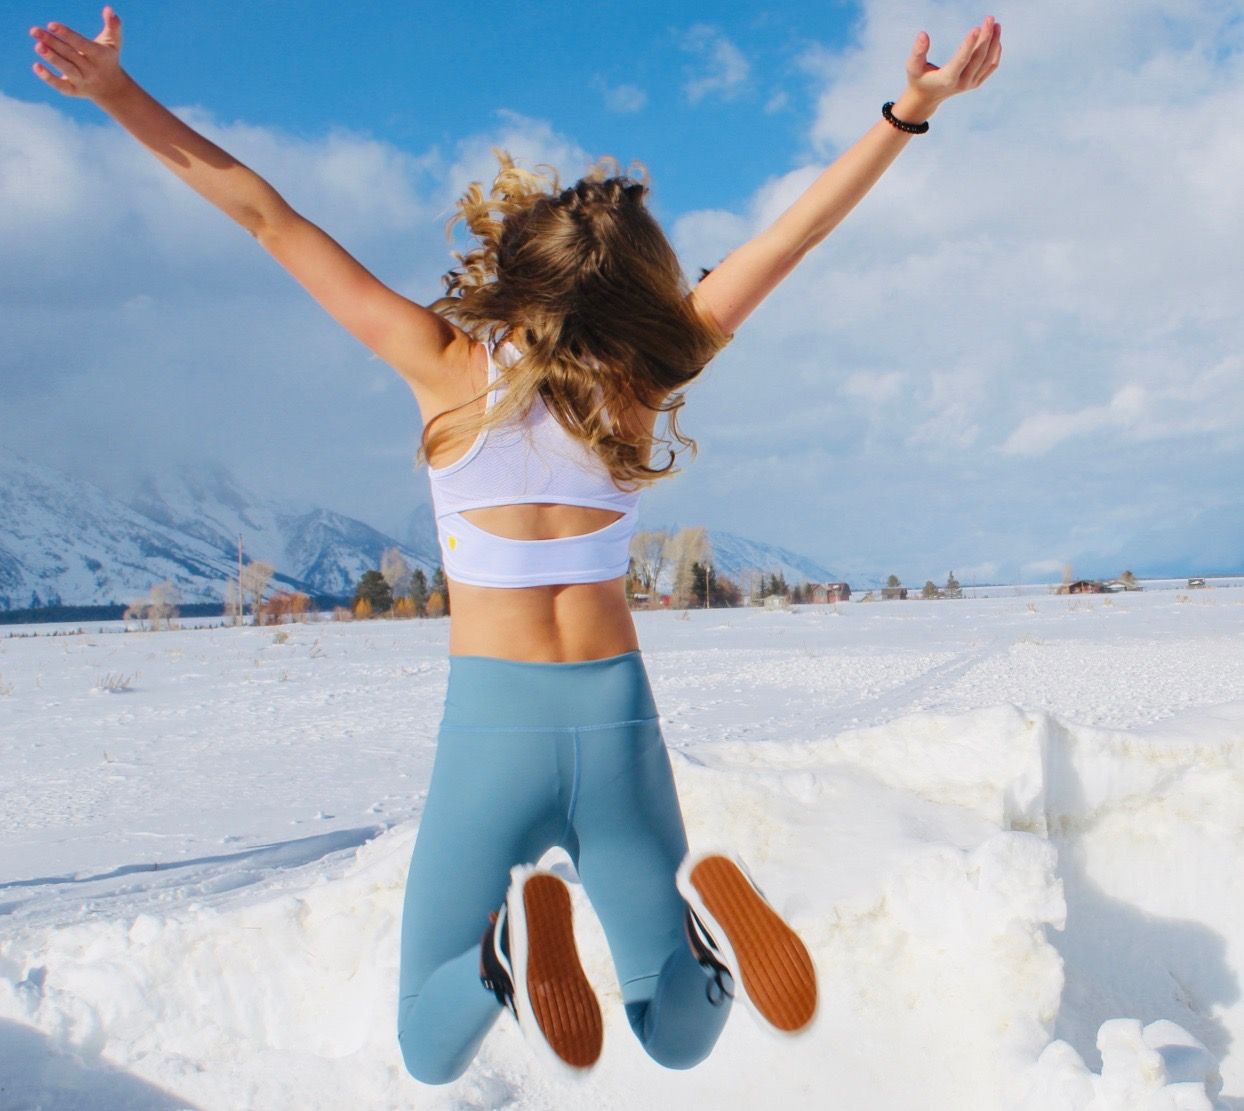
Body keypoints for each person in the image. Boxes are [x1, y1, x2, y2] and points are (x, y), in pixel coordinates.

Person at [29, 7, 1002, 1084]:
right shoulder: (643, 380)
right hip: (615, 720)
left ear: (518, 272)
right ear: (632, 283)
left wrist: (119, 96)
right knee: (676, 1037)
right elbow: (792, 236)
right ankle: (703, 936)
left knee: (426, 1042)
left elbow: (266, 215)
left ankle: (497, 966)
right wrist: (908, 112)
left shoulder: (442, 364)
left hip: (490, 724)